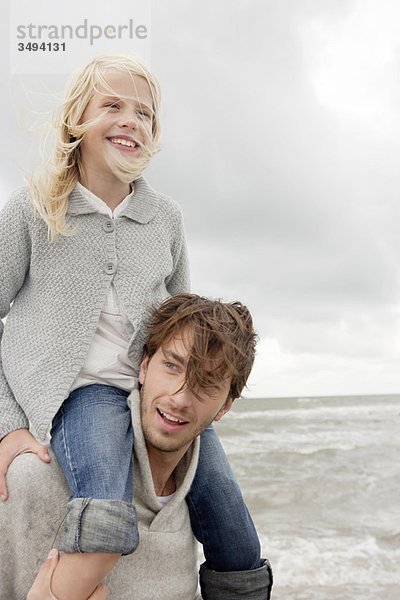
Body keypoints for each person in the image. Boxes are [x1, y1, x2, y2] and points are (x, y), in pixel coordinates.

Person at [0, 55, 260, 599]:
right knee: (106, 520)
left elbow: (185, 327)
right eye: (112, 105)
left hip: (153, 395)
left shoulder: (165, 218)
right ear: (77, 121)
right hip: (82, 398)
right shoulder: (32, 210)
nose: (131, 120)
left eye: (144, 113)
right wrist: (7, 424)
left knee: (234, 529)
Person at [1, 293, 273, 600]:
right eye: (172, 366)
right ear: (143, 366)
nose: (180, 398)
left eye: (207, 382)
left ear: (225, 407)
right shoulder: (31, 481)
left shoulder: (200, 509)